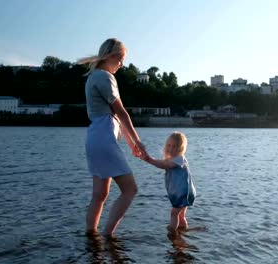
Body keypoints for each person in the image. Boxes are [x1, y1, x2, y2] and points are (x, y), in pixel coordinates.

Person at [77, 38, 146, 237]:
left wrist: (131, 142)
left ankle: (91, 237)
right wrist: (137, 141)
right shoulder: (106, 77)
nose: (122, 64)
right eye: (121, 59)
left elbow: (112, 117)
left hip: (94, 138)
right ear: (111, 56)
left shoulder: (93, 77)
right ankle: (108, 236)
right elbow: (121, 113)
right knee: (130, 189)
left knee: (99, 195)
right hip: (104, 138)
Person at [141, 131, 196, 232]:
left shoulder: (179, 159)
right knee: (180, 215)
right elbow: (163, 162)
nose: (171, 148)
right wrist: (148, 158)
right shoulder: (174, 159)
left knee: (174, 213)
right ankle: (183, 230)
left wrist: (149, 160)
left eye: (174, 146)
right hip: (184, 192)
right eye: (169, 145)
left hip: (183, 193)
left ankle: (172, 232)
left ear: (181, 148)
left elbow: (164, 165)